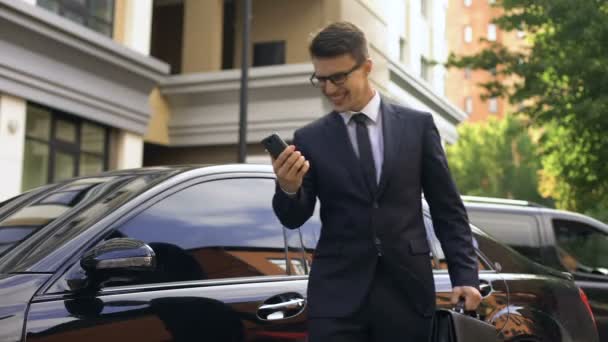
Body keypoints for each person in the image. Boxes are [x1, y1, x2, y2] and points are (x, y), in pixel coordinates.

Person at [270, 22, 481, 341]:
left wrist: (464, 275)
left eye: (338, 78)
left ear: (366, 67)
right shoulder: (309, 139)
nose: (329, 89)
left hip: (407, 293)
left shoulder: (417, 126)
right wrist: (288, 188)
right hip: (337, 298)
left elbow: (447, 209)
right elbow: (293, 216)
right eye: (321, 79)